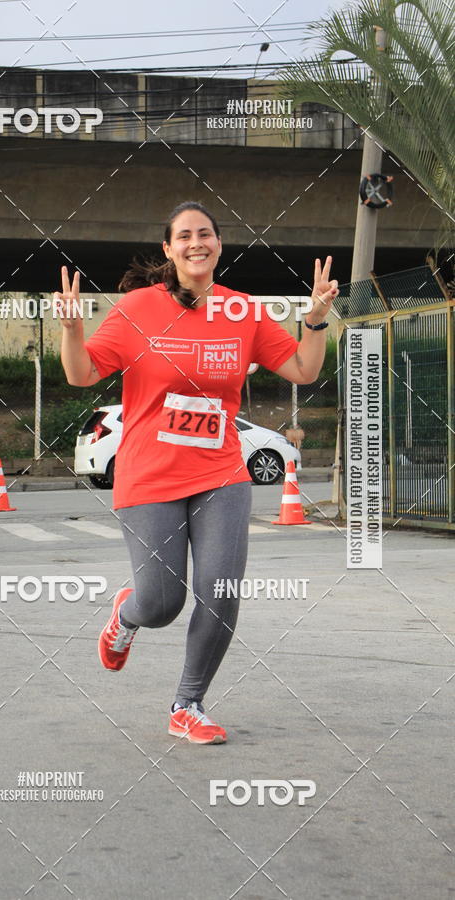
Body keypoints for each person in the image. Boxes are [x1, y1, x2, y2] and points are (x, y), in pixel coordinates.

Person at [60, 200, 338, 744]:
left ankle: (188, 703)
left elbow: (304, 369)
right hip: (149, 474)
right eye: (184, 235)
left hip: (221, 472)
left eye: (205, 233)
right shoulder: (138, 307)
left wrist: (316, 319)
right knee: (163, 604)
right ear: (169, 249)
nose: (196, 242)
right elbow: (81, 373)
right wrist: (71, 328)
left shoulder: (242, 312)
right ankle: (128, 613)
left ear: (217, 244)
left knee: (222, 590)